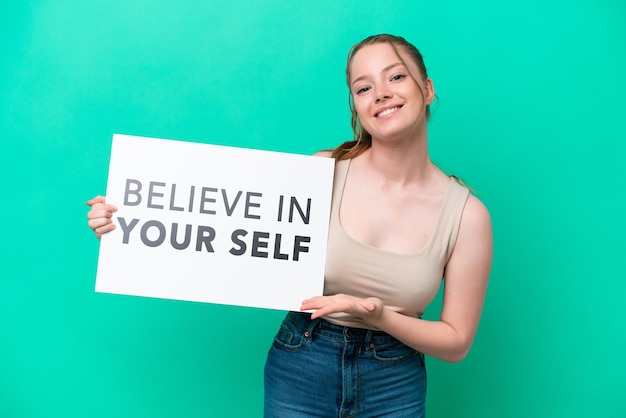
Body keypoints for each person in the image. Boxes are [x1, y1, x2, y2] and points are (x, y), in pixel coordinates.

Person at [87, 34, 493, 417]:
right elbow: (219, 232)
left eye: (397, 76)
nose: (381, 93)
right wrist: (129, 221)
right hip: (302, 362)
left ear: (427, 89)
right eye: (363, 87)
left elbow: (456, 341)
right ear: (356, 106)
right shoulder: (321, 173)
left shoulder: (467, 216)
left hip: (394, 379)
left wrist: (377, 315)